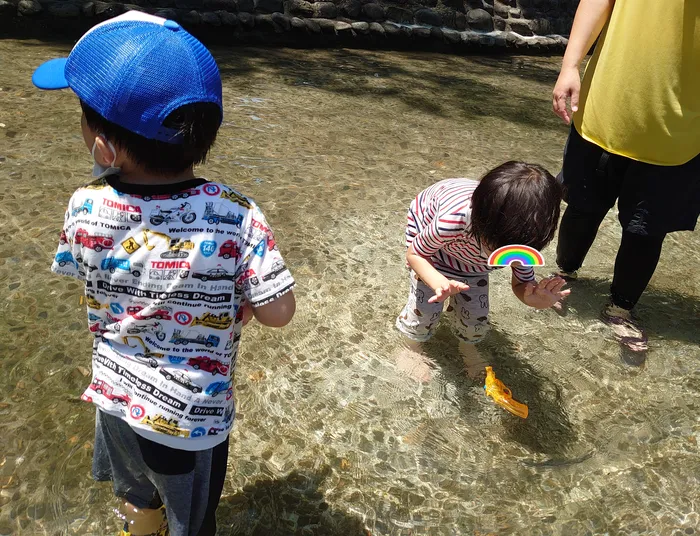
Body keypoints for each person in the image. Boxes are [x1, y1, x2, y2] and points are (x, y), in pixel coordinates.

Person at [33, 12, 296, 536]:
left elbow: (80, 269)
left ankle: (140, 525)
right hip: (190, 417)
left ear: (104, 148)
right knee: (191, 518)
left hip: (114, 397)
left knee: (138, 497)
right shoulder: (237, 213)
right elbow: (279, 313)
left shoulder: (84, 205)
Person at [552, 0, 700, 365]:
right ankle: (564, 275)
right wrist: (571, 64)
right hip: (604, 105)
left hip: (678, 132)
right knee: (581, 208)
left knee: (645, 231)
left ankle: (620, 309)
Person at [395, 162, 570, 378]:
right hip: (431, 245)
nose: (499, 255)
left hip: (470, 257)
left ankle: (467, 347)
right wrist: (437, 281)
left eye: (508, 254)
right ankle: (411, 348)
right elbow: (416, 254)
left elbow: (521, 284)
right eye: (494, 247)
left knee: (476, 315)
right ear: (479, 221)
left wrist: (535, 299)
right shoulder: (453, 220)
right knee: (425, 306)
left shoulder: (524, 238)